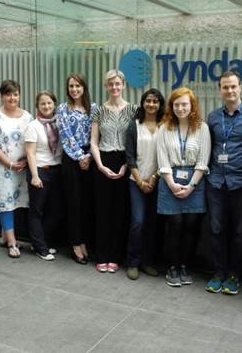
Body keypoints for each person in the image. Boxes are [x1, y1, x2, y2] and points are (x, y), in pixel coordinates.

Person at [205, 70, 242, 295]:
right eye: (225, 87)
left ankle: (235, 275)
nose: (229, 90)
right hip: (216, 183)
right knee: (216, 230)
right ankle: (218, 272)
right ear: (219, 90)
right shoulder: (213, 117)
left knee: (241, 232)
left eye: (233, 86)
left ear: (240, 88)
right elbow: (209, 147)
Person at [156, 87, 210, 287]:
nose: (180, 108)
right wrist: (172, 185)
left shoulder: (202, 128)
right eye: (176, 105)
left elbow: (203, 161)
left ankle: (184, 266)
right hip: (170, 179)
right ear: (171, 107)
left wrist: (191, 186)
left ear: (192, 105)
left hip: (195, 181)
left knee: (190, 226)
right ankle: (172, 267)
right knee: (175, 225)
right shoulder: (164, 128)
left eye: (184, 104)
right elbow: (162, 160)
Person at [90, 69, 137, 273]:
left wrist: (127, 165)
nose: (114, 87)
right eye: (110, 84)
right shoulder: (99, 111)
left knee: (120, 211)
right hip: (103, 159)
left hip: (125, 161)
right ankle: (102, 256)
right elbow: (93, 141)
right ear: (106, 86)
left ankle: (116, 257)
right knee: (102, 211)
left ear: (123, 85)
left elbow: (135, 142)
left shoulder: (134, 110)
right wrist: (100, 165)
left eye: (118, 83)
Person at [0, 79, 32, 259]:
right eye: (8, 94)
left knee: (15, 202)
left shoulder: (27, 117)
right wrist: (9, 163)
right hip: (0, 168)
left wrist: (26, 160)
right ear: (2, 96)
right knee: (5, 204)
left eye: (15, 94)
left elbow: (32, 141)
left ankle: (5, 237)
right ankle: (12, 242)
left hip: (21, 168)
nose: (12, 98)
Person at [124, 88, 165, 280]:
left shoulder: (165, 125)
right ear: (142, 103)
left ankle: (147, 262)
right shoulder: (134, 125)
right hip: (136, 181)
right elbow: (129, 156)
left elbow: (168, 156)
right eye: (148, 101)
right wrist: (140, 181)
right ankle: (133, 262)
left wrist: (155, 177)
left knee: (152, 223)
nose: (151, 104)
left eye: (155, 101)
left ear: (160, 104)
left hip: (159, 181)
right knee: (138, 222)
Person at [57, 74, 97, 265]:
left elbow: (96, 135)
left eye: (78, 86)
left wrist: (89, 156)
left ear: (84, 87)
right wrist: (81, 156)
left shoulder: (93, 108)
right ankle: (75, 244)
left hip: (91, 158)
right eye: (71, 86)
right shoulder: (63, 109)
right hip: (72, 159)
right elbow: (66, 136)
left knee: (86, 204)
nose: (74, 89)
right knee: (73, 203)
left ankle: (84, 241)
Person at [25, 91, 63, 261]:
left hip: (57, 170)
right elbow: (30, 152)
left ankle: (39, 242)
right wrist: (34, 176)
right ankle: (40, 248)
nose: (46, 106)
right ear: (37, 106)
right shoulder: (33, 126)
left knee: (56, 211)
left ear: (54, 104)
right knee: (37, 211)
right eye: (42, 104)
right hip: (40, 170)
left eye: (49, 103)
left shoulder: (60, 123)